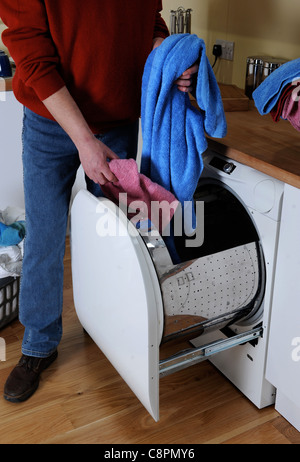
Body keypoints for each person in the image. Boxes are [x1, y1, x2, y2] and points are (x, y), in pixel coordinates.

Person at [0, 0, 198, 403]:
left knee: (116, 237)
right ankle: (38, 346)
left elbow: (148, 22)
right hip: (48, 120)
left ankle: (109, 327)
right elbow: (32, 58)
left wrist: (167, 54)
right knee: (45, 237)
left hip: (116, 120)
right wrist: (84, 140)